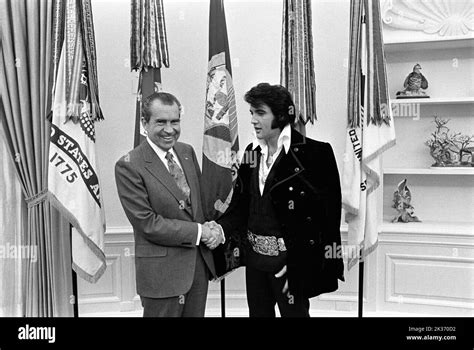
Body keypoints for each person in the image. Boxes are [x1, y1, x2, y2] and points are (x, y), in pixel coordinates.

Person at [214, 83, 345, 317]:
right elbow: (240, 207)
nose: (253, 119)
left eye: (260, 113)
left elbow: (328, 219)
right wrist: (217, 229)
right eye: (251, 113)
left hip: (290, 264)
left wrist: (303, 264)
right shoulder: (250, 153)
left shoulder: (316, 154)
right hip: (255, 263)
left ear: (282, 115)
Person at [115, 92, 223, 317]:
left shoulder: (186, 152)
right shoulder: (129, 165)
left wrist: (214, 229)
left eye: (175, 121)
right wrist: (200, 232)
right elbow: (148, 223)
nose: (169, 129)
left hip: (197, 271)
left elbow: (197, 208)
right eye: (161, 122)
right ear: (144, 124)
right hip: (161, 277)